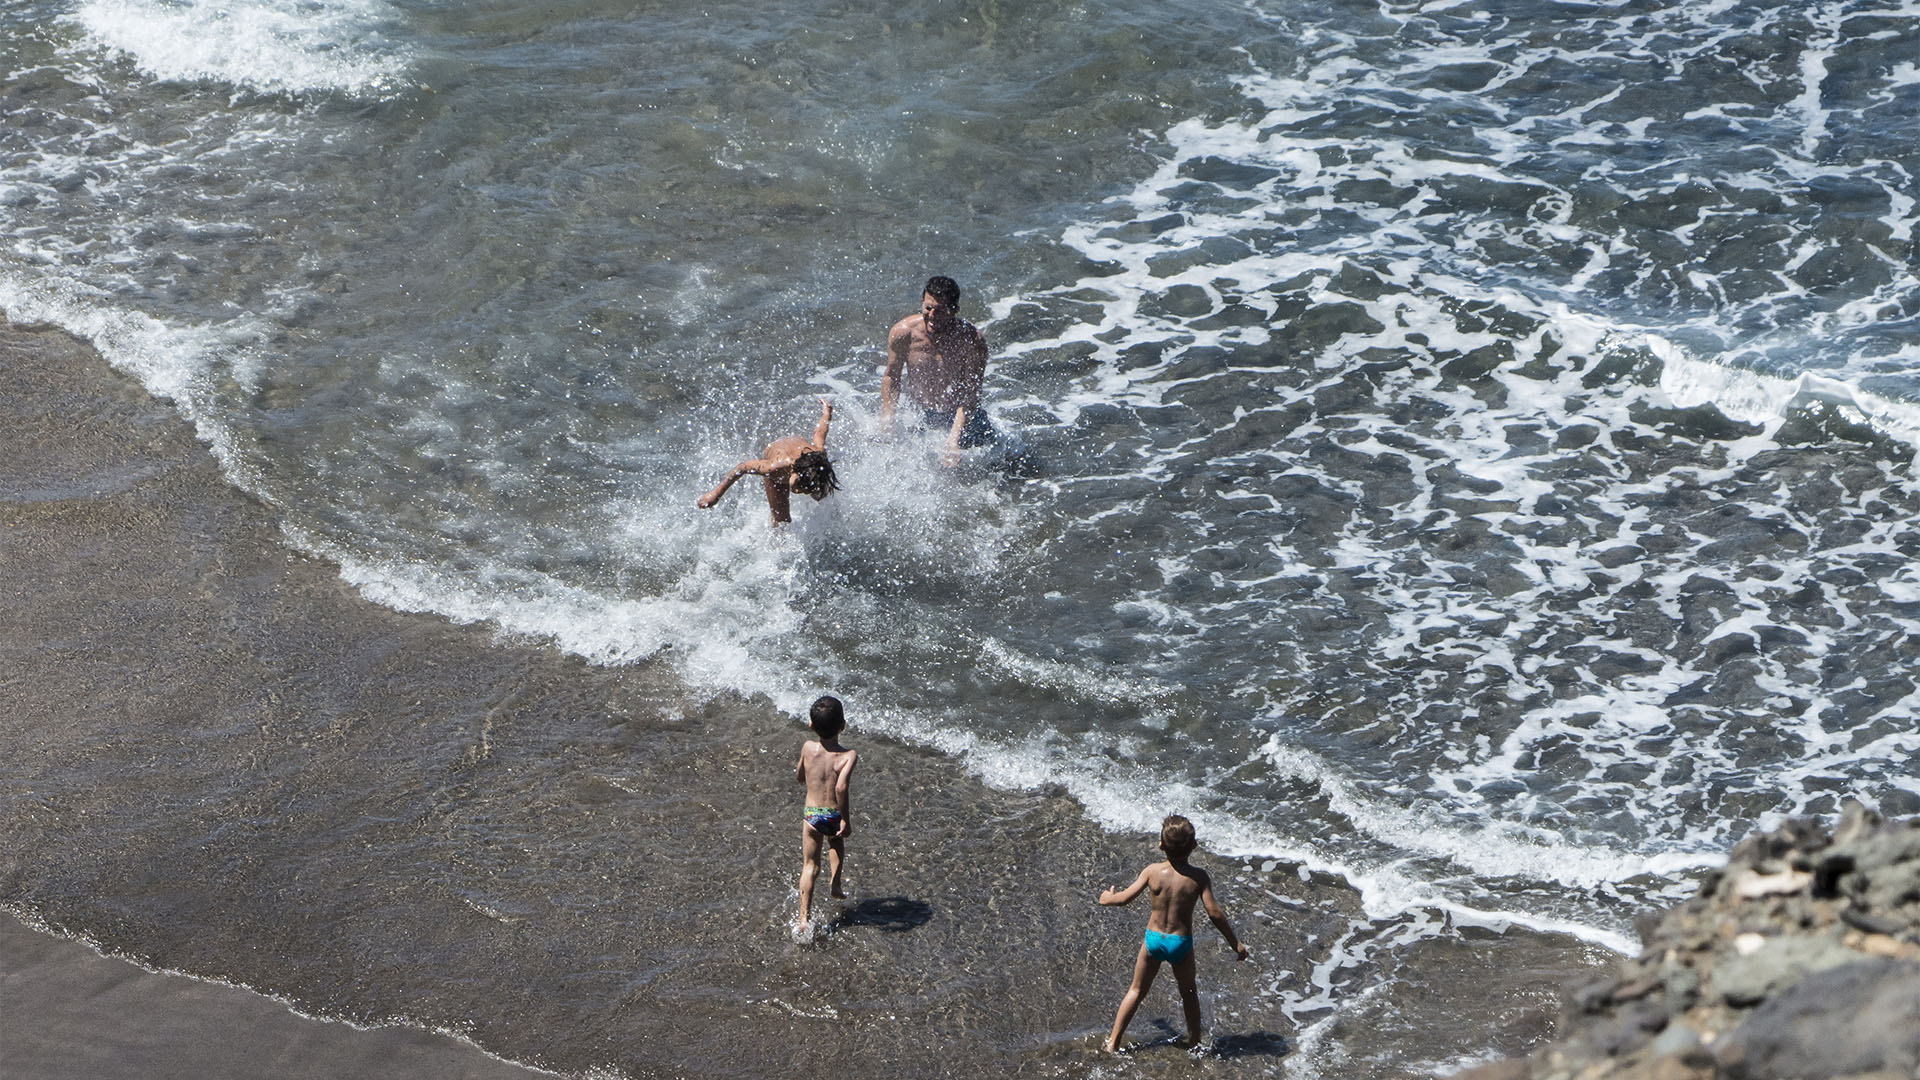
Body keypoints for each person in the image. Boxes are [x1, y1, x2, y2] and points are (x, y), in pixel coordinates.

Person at [1097, 815, 1250, 1052]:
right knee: (1188, 992)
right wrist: (1235, 943)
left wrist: (1107, 898)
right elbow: (1215, 913)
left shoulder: (1152, 871)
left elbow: (1124, 898)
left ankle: (1113, 1042)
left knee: (1136, 990)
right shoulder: (1198, 877)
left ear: (1160, 845)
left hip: (1153, 940)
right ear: (1194, 846)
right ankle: (1195, 1042)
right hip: (1180, 943)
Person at [880, 275, 994, 462]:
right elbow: (891, 376)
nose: (932, 316)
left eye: (940, 311)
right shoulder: (904, 333)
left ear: (955, 309)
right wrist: (887, 417)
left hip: (961, 416)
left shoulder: (972, 341)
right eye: (928, 308)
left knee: (993, 464)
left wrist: (953, 439)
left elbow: (971, 393)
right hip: (919, 414)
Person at [696, 396, 838, 526]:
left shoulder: (818, 456)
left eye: (802, 489)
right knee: (782, 521)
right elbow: (743, 467)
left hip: (804, 462)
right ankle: (776, 542)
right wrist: (715, 494)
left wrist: (827, 413)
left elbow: (819, 432)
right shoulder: (774, 468)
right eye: (796, 485)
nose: (795, 491)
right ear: (793, 471)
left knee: (820, 495)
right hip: (777, 460)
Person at [794, 694, 858, 933]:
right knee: (836, 843)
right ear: (843, 725)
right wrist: (845, 820)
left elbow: (800, 776)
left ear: (811, 725)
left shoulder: (807, 748)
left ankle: (803, 919)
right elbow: (841, 788)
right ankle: (836, 883)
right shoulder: (847, 755)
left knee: (809, 866)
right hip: (832, 814)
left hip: (811, 814)